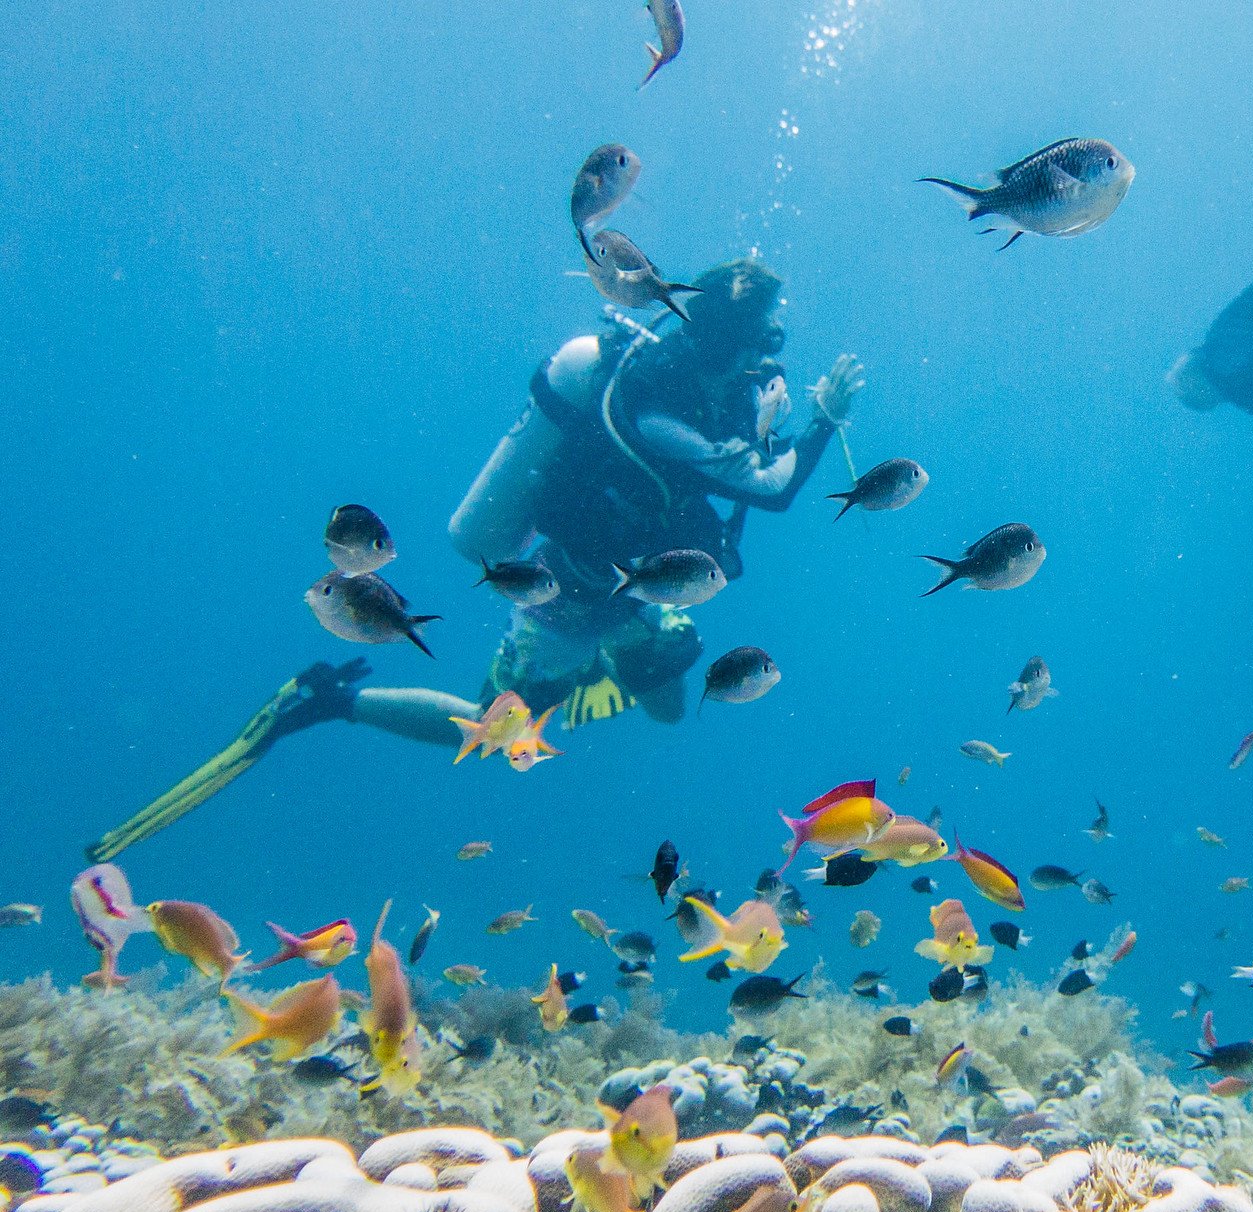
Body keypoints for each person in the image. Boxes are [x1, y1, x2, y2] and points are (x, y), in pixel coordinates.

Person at [89, 259, 861, 862]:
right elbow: (772, 489)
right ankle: (327, 702)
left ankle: (588, 663)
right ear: (724, 342)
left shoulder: (702, 380)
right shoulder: (663, 410)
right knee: (495, 736)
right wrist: (823, 419)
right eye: (761, 340)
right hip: (569, 592)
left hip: (633, 584)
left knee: (665, 705)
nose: (770, 354)